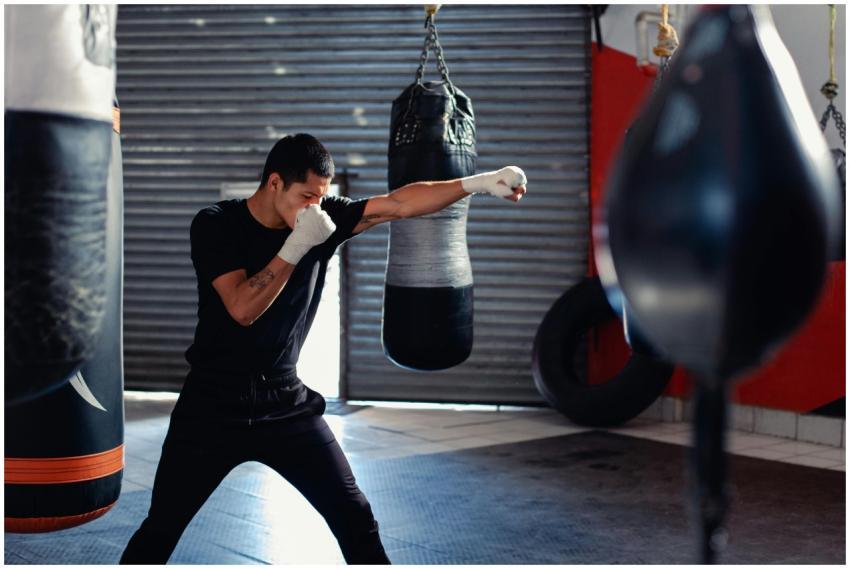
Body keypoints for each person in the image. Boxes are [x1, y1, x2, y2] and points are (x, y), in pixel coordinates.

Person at [120, 133, 527, 564]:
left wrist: (478, 183)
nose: (314, 208)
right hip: (212, 405)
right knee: (161, 529)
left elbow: (400, 203)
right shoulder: (216, 223)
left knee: (355, 516)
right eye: (306, 196)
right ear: (274, 183)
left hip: (285, 403)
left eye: (322, 197)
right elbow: (242, 307)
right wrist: (297, 245)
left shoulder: (320, 217)